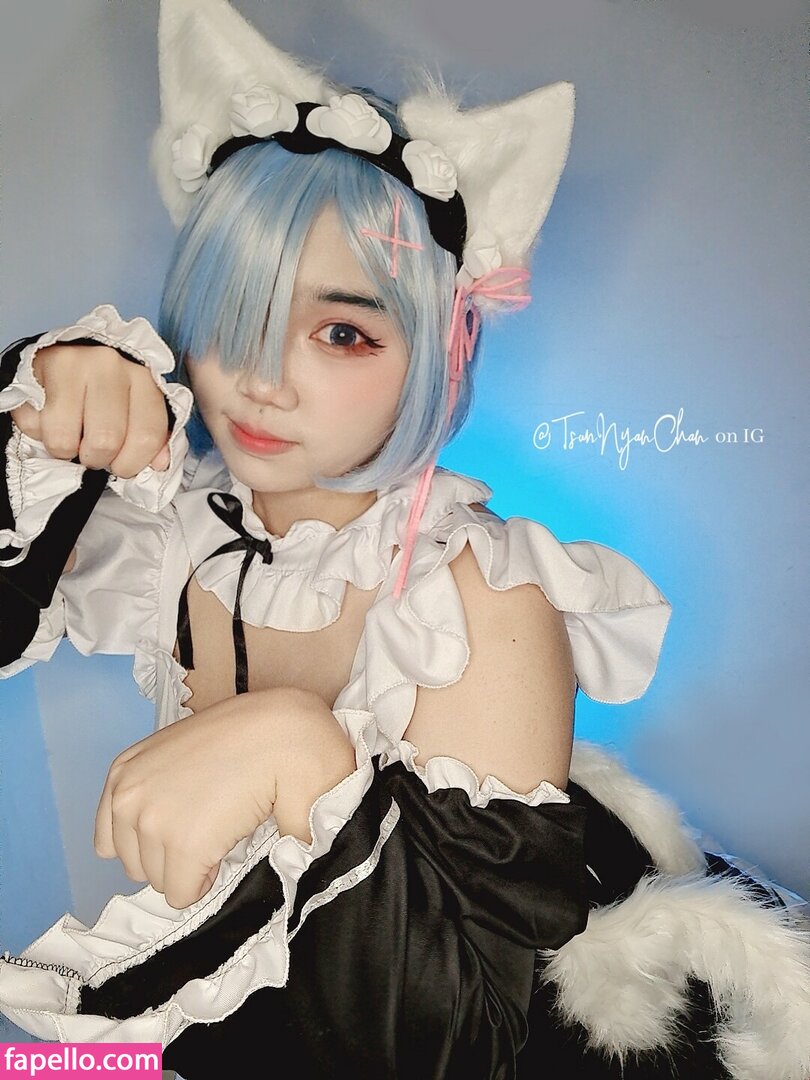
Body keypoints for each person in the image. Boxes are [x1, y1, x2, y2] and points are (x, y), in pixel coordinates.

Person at [0, 1, 808, 1077]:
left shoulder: (479, 594)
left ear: (436, 349)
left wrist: (298, 749)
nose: (262, 377)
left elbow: (463, 1045)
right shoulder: (176, 535)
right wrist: (39, 402)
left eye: (342, 332)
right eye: (235, 310)